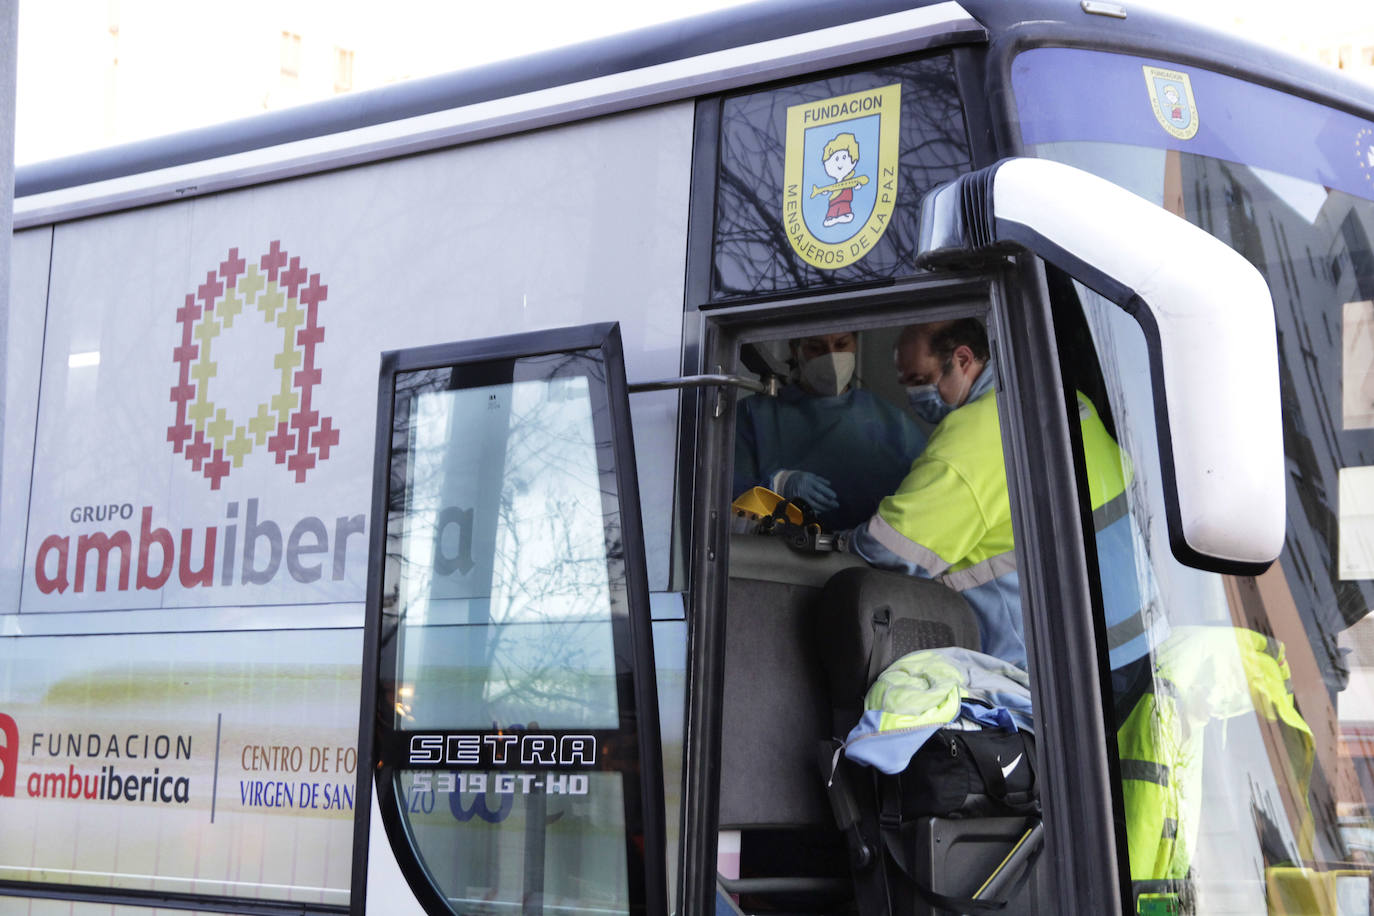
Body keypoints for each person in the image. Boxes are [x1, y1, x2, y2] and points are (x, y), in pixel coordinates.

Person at [847, 318, 1160, 671]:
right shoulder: (1061, 395)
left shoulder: (971, 437)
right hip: (1140, 637)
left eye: (921, 381)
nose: (914, 396)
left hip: (1062, 668)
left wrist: (843, 542)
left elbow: (891, 551)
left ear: (963, 360)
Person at [734, 331, 927, 532]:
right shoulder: (754, 416)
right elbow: (718, 497)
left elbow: (927, 501)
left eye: (842, 344)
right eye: (816, 348)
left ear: (856, 344)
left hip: (863, 558)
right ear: (795, 349)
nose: (831, 356)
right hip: (772, 556)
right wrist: (776, 485)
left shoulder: (892, 424)